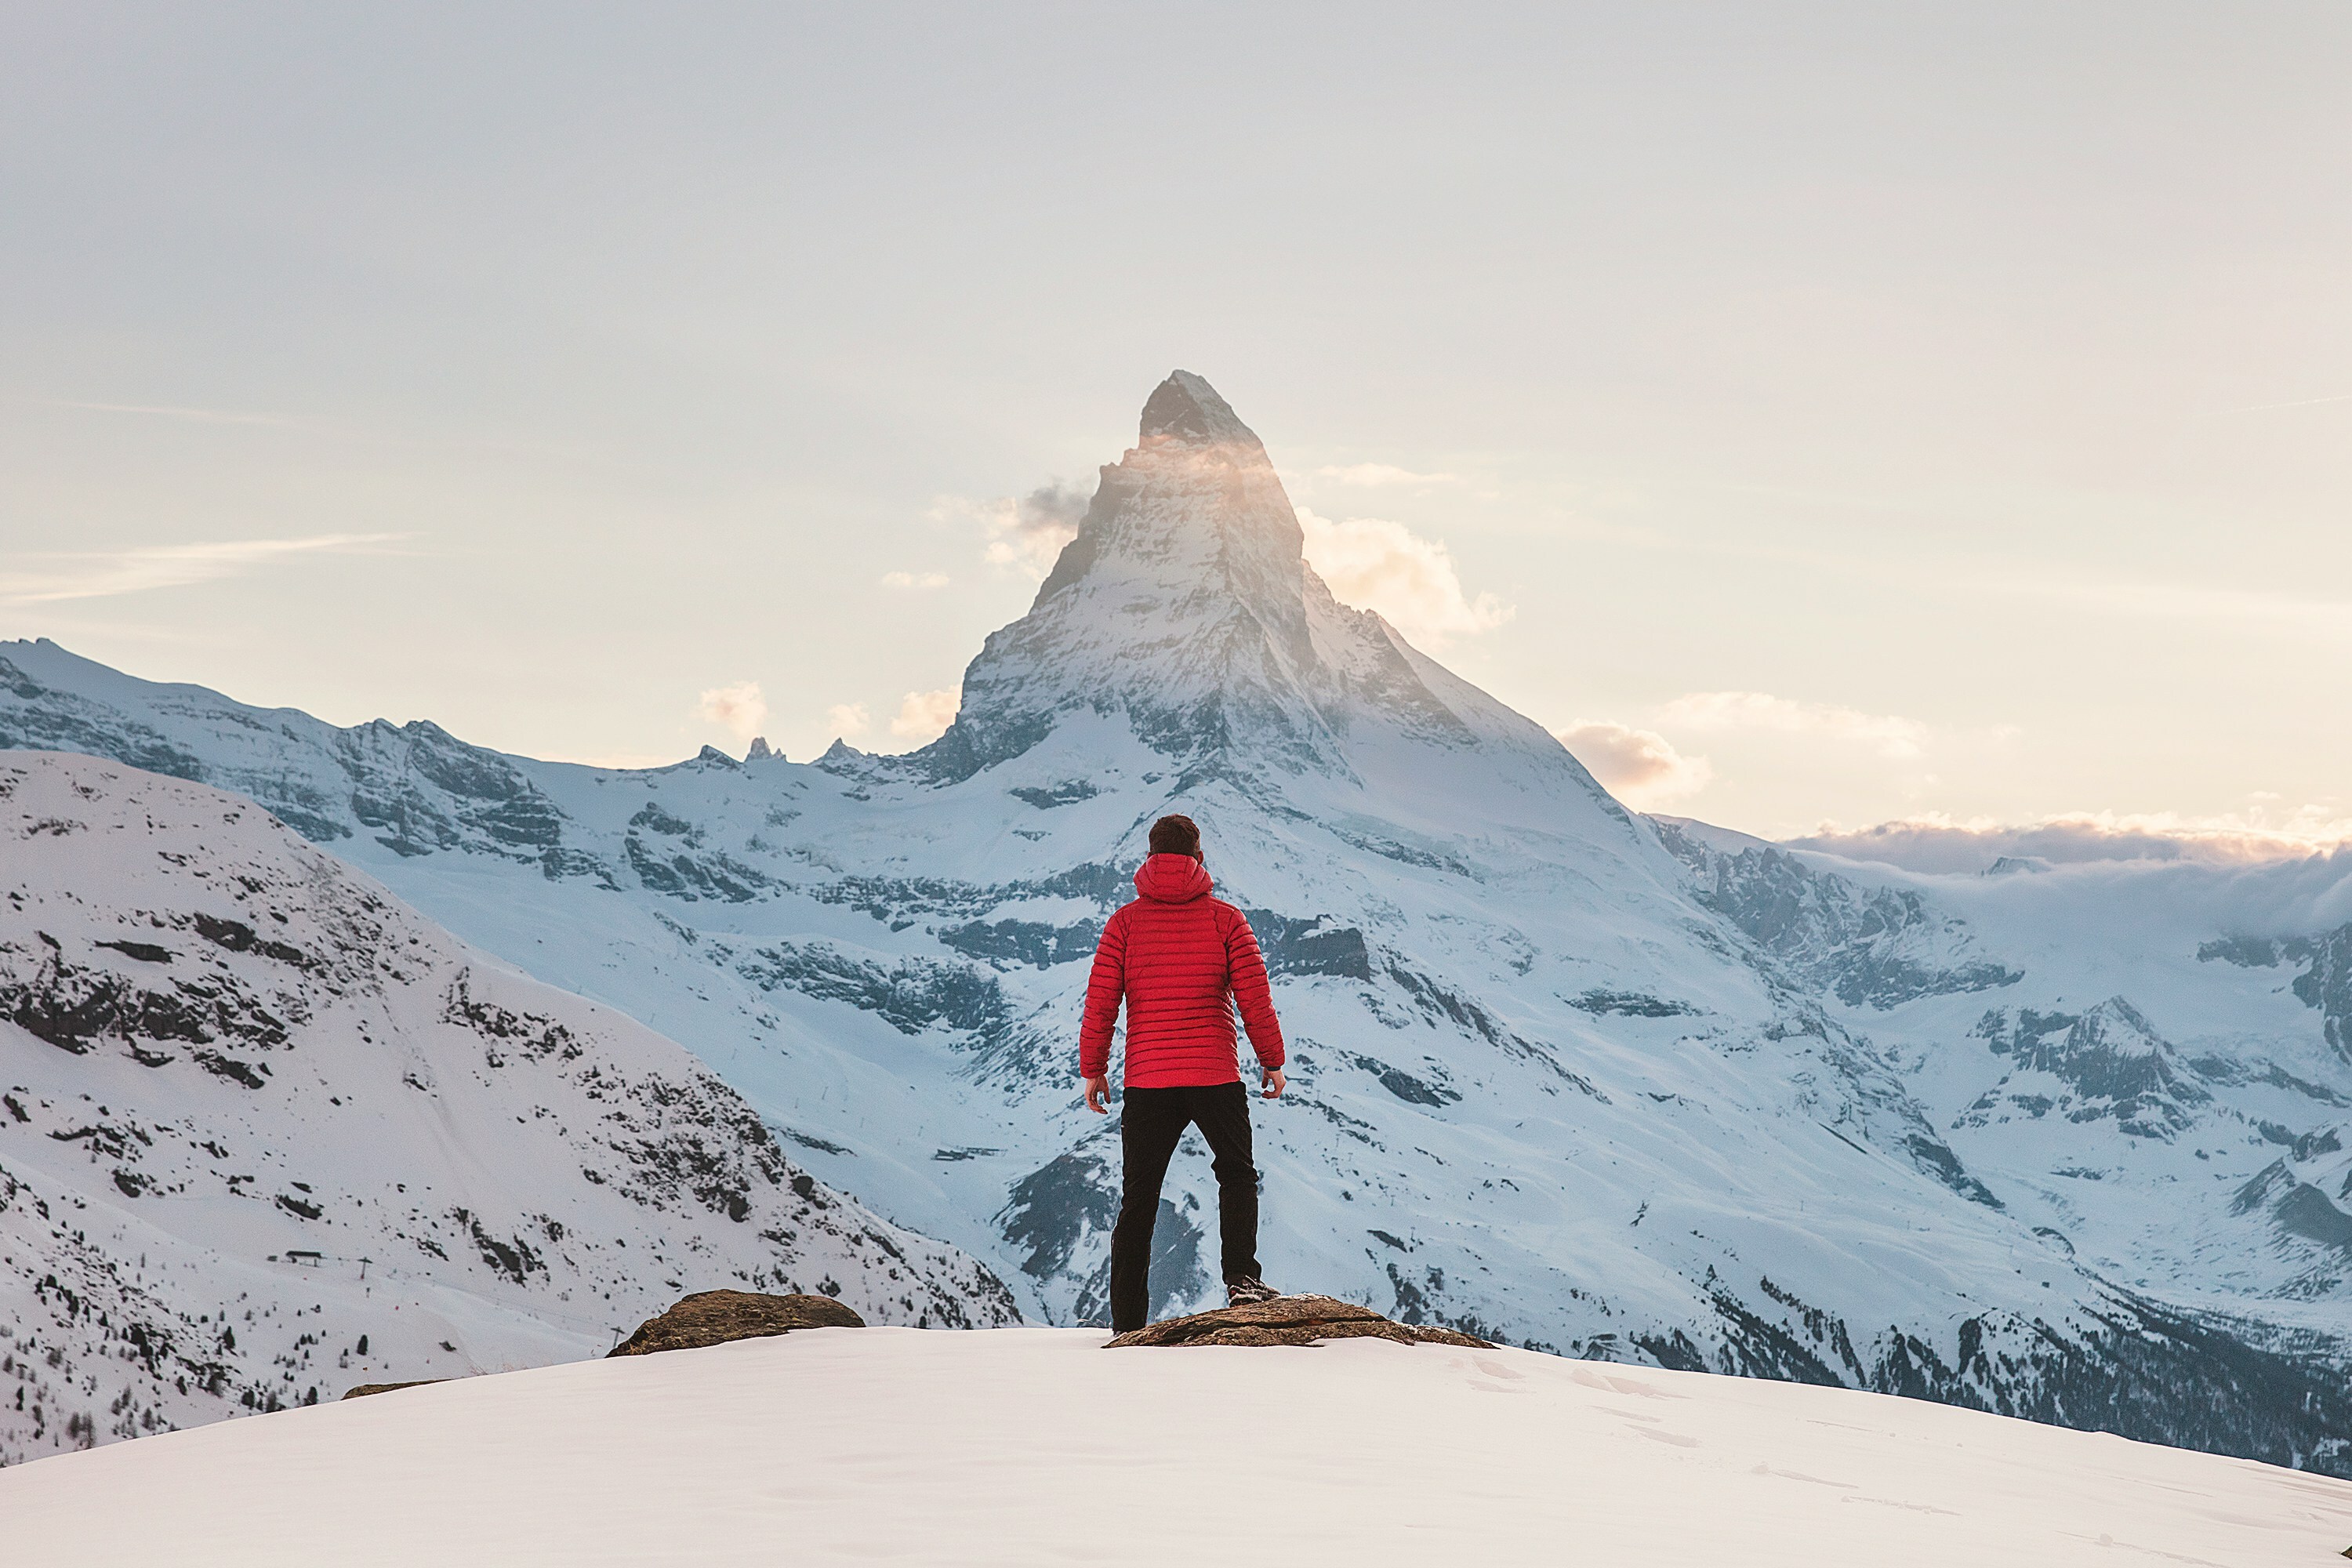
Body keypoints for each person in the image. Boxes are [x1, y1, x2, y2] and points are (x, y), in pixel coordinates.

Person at [1080, 813, 1287, 1334]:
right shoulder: (1226, 919)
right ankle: (1242, 1278)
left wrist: (1094, 1069)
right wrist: (1272, 1060)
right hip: (1214, 1074)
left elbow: (1101, 1002)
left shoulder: (1123, 923)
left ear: (1149, 858)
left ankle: (1128, 1321)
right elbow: (1254, 998)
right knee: (1235, 1173)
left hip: (1148, 1080)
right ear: (1198, 857)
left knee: (1139, 1197)